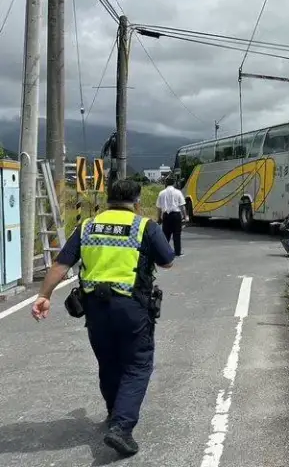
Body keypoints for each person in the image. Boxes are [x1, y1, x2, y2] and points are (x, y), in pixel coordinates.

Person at [31, 179, 175, 457]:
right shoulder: (144, 226)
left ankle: (114, 413)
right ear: (136, 203)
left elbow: (61, 264)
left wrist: (43, 296)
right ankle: (121, 427)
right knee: (137, 363)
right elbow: (167, 261)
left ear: (108, 201)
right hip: (132, 307)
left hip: (95, 308)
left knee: (108, 361)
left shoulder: (87, 226)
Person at [156, 175, 187, 257]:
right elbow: (182, 206)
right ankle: (177, 252)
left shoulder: (161, 193)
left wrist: (159, 218)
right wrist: (185, 216)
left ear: (166, 184)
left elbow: (158, 207)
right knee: (177, 234)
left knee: (166, 235)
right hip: (176, 215)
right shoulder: (178, 192)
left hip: (166, 215)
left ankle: (164, 252)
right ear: (174, 183)